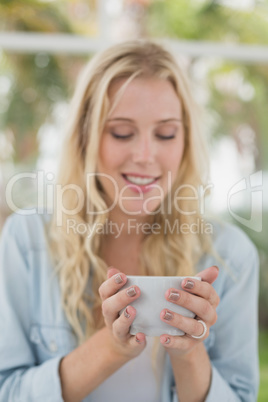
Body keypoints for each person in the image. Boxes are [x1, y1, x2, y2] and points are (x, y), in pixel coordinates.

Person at [0, 40, 259, 402]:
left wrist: (189, 352)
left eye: (166, 133)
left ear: (185, 140)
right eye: (122, 132)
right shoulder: (26, 240)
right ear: (85, 136)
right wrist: (112, 347)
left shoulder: (231, 257)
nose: (145, 155)